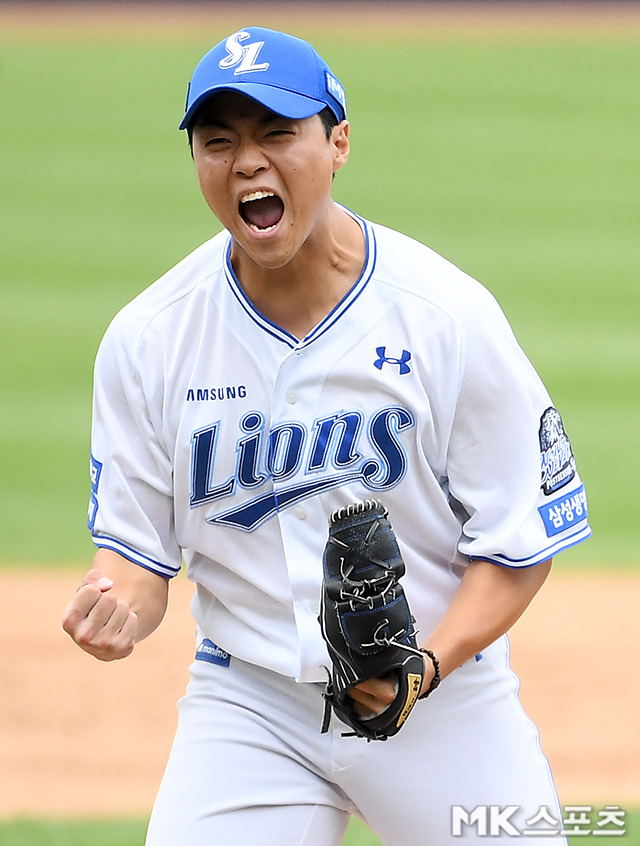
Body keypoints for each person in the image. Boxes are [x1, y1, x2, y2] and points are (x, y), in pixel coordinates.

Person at [62, 26, 591, 846]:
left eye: (277, 133)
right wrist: (118, 607)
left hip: (442, 704)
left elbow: (519, 540)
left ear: (338, 141)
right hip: (251, 708)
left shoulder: (445, 315)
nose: (246, 161)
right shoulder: (149, 338)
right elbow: (135, 558)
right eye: (219, 141)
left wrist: (424, 667)